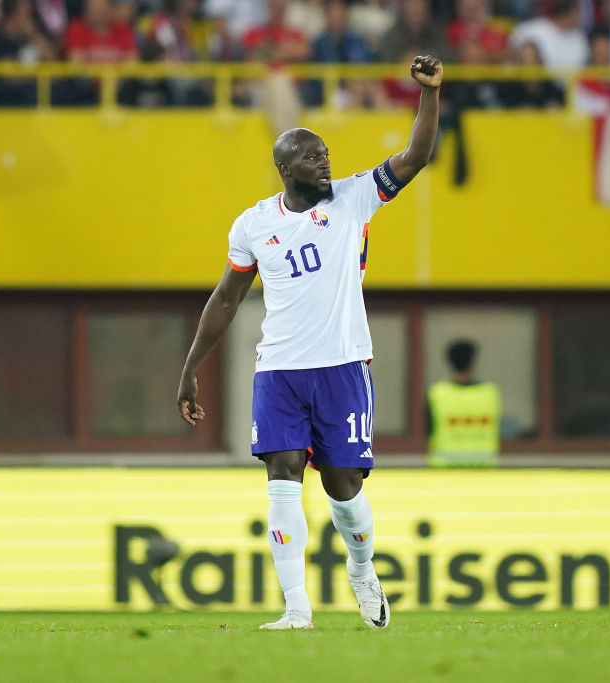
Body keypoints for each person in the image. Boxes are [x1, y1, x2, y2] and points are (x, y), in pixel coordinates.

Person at [176, 55, 443, 631]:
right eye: (312, 156)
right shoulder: (252, 225)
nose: (326, 163)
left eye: (327, 155)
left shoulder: (354, 198)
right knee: (282, 478)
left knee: (343, 491)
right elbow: (226, 300)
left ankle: (363, 568)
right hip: (279, 371)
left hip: (343, 366)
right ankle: (296, 608)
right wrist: (191, 367)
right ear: (284, 166)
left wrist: (429, 95)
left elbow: (416, 156)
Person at [426, 340, 502, 468]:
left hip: (444, 470)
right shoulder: (490, 393)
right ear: (473, 363)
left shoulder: (438, 394)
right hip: (484, 469)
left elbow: (427, 429)